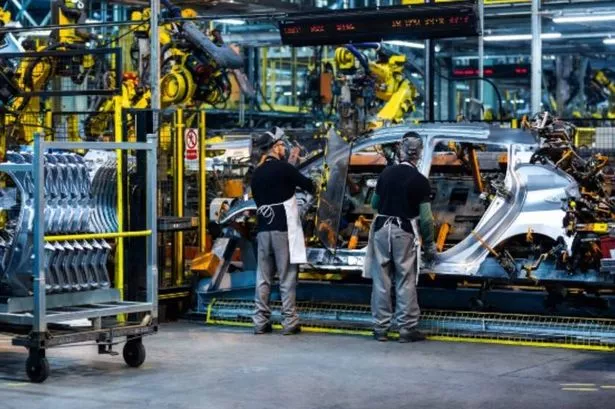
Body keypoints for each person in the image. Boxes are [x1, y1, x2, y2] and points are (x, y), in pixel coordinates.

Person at [363, 132, 437, 343]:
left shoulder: (386, 174)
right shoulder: (420, 181)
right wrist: (430, 246)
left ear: (401, 151)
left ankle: (380, 328)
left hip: (380, 229)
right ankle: (406, 329)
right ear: (419, 154)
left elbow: (375, 205)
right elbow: (425, 219)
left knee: (381, 279)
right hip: (402, 231)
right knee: (404, 279)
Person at [250, 127, 316, 335]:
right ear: (275, 147)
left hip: (263, 231)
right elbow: (309, 186)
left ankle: (260, 321)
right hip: (282, 230)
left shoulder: (257, 173)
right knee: (287, 276)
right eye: (281, 146)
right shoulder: (284, 169)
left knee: (263, 277)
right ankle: (289, 322)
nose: (283, 149)